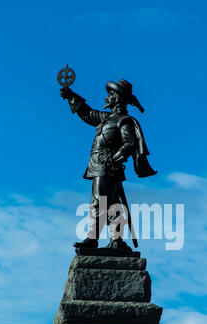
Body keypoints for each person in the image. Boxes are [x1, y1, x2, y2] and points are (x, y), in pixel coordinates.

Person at [60, 78, 157, 250]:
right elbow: (88, 114)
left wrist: (115, 159)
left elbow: (129, 143)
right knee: (112, 204)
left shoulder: (124, 121)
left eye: (110, 95)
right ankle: (116, 241)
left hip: (106, 167)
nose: (106, 98)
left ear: (117, 98)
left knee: (99, 201)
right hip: (98, 165)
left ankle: (92, 239)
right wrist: (71, 96)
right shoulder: (105, 118)